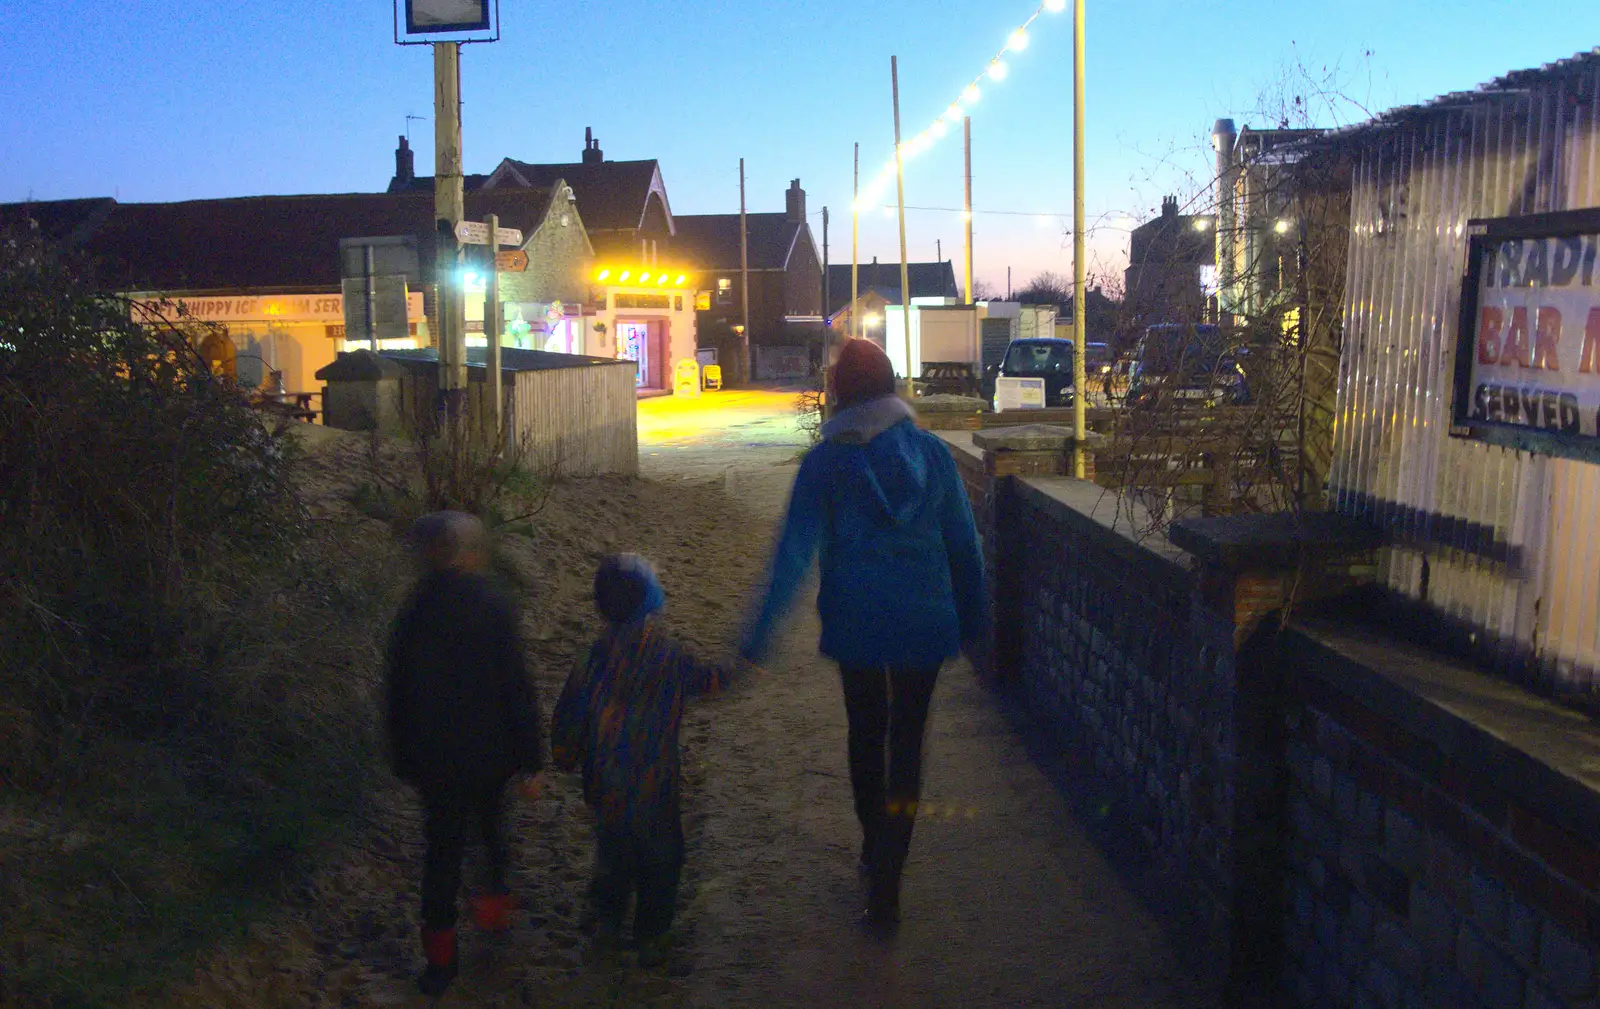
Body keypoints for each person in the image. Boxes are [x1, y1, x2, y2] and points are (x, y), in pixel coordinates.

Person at [741, 338, 985, 926]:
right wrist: (977, 626)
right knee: (906, 745)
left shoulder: (826, 464)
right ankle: (890, 869)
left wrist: (756, 642)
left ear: (841, 393)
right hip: (924, 623)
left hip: (858, 622)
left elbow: (792, 556)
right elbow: (965, 547)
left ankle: (874, 847)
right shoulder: (932, 455)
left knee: (864, 736)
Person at [551, 554, 739, 967]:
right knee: (662, 860)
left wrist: (564, 753)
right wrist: (738, 666)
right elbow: (707, 680)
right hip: (655, 784)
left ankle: (605, 919)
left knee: (613, 852)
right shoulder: (669, 656)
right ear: (651, 601)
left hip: (604, 783)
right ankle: (652, 936)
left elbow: (569, 714)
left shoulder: (592, 657)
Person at [385, 511, 544, 997]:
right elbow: (516, 688)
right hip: (490, 757)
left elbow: (398, 693)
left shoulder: (411, 613)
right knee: (492, 834)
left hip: (435, 763)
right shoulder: (493, 607)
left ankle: (439, 961)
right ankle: (493, 920)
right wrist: (531, 759)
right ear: (471, 554)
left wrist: (403, 757)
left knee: (441, 853)